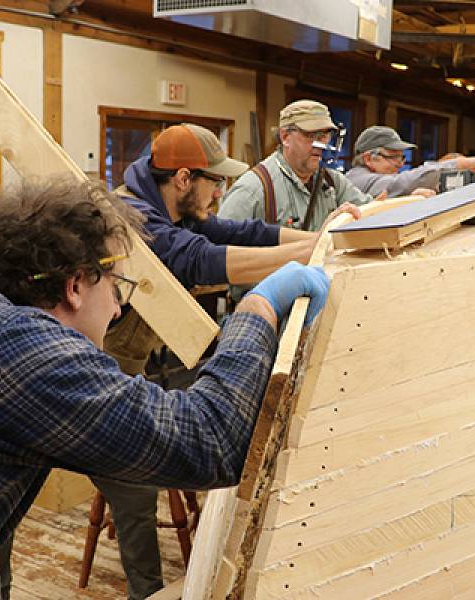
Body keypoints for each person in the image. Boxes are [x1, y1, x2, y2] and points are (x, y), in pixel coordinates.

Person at [0, 176, 330, 600]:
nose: (119, 310)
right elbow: (210, 440)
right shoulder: (22, 353)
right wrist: (257, 309)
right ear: (76, 285)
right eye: (117, 286)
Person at [95, 122, 359, 599]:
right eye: (214, 181)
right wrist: (308, 256)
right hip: (103, 367)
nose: (220, 192)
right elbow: (200, 260)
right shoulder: (134, 219)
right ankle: (148, 592)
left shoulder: (175, 207)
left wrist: (317, 238)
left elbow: (243, 232)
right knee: (133, 494)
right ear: (182, 179)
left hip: (147, 364)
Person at [218, 99, 373, 232]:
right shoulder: (252, 190)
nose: (321, 144)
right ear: (285, 136)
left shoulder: (334, 182)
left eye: (325, 135)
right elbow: (221, 252)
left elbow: (371, 211)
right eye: (311, 135)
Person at [346, 125, 475, 198]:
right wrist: (459, 164)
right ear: (368, 158)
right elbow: (400, 184)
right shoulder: (356, 180)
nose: (400, 164)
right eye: (393, 156)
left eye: (402, 157)